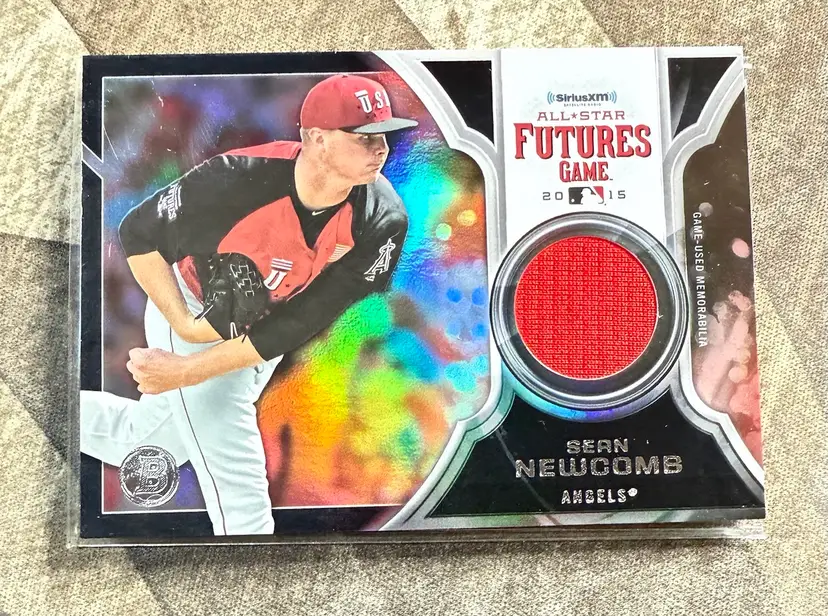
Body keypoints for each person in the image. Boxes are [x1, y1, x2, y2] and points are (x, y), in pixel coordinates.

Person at [80, 74, 418, 535]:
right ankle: (256, 568)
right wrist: (186, 327)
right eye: (363, 136)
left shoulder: (383, 219)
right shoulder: (236, 177)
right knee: (234, 471)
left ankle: (53, 409)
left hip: (269, 323)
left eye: (384, 135)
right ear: (317, 139)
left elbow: (304, 319)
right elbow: (139, 232)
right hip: (193, 301)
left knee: (141, 441)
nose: (380, 148)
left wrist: (187, 372)